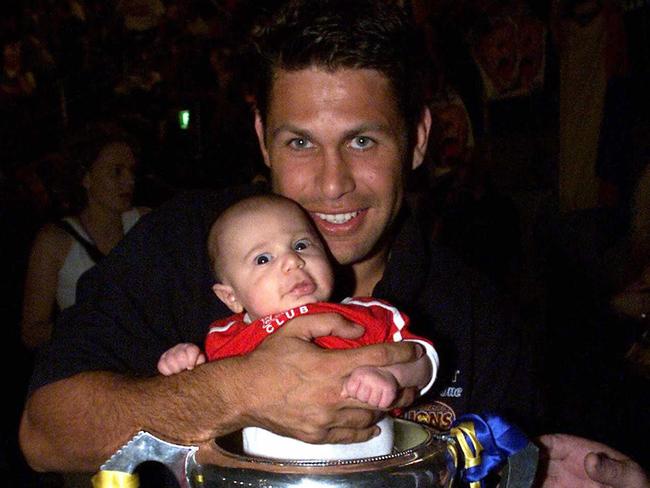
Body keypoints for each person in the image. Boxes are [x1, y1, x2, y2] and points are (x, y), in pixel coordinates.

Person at [19, 1, 648, 486]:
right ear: (263, 139)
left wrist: (554, 471)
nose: (332, 184)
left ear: (420, 139)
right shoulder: (186, 242)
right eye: (299, 143)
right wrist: (241, 390)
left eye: (364, 140)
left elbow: (501, 458)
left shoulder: (475, 316)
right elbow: (44, 433)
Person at [157, 194, 437, 460]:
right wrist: (184, 367)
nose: (293, 260)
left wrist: (391, 376)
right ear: (231, 297)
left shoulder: (365, 313)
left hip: (367, 474)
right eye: (263, 259)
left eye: (301, 245)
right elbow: (204, 399)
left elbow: (424, 359)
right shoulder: (226, 338)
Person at [21, 121, 150, 349]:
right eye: (116, 171)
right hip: (89, 361)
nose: (129, 181)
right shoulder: (55, 241)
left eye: (131, 171)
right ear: (86, 178)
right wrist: (93, 327)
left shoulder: (144, 222)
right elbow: (32, 331)